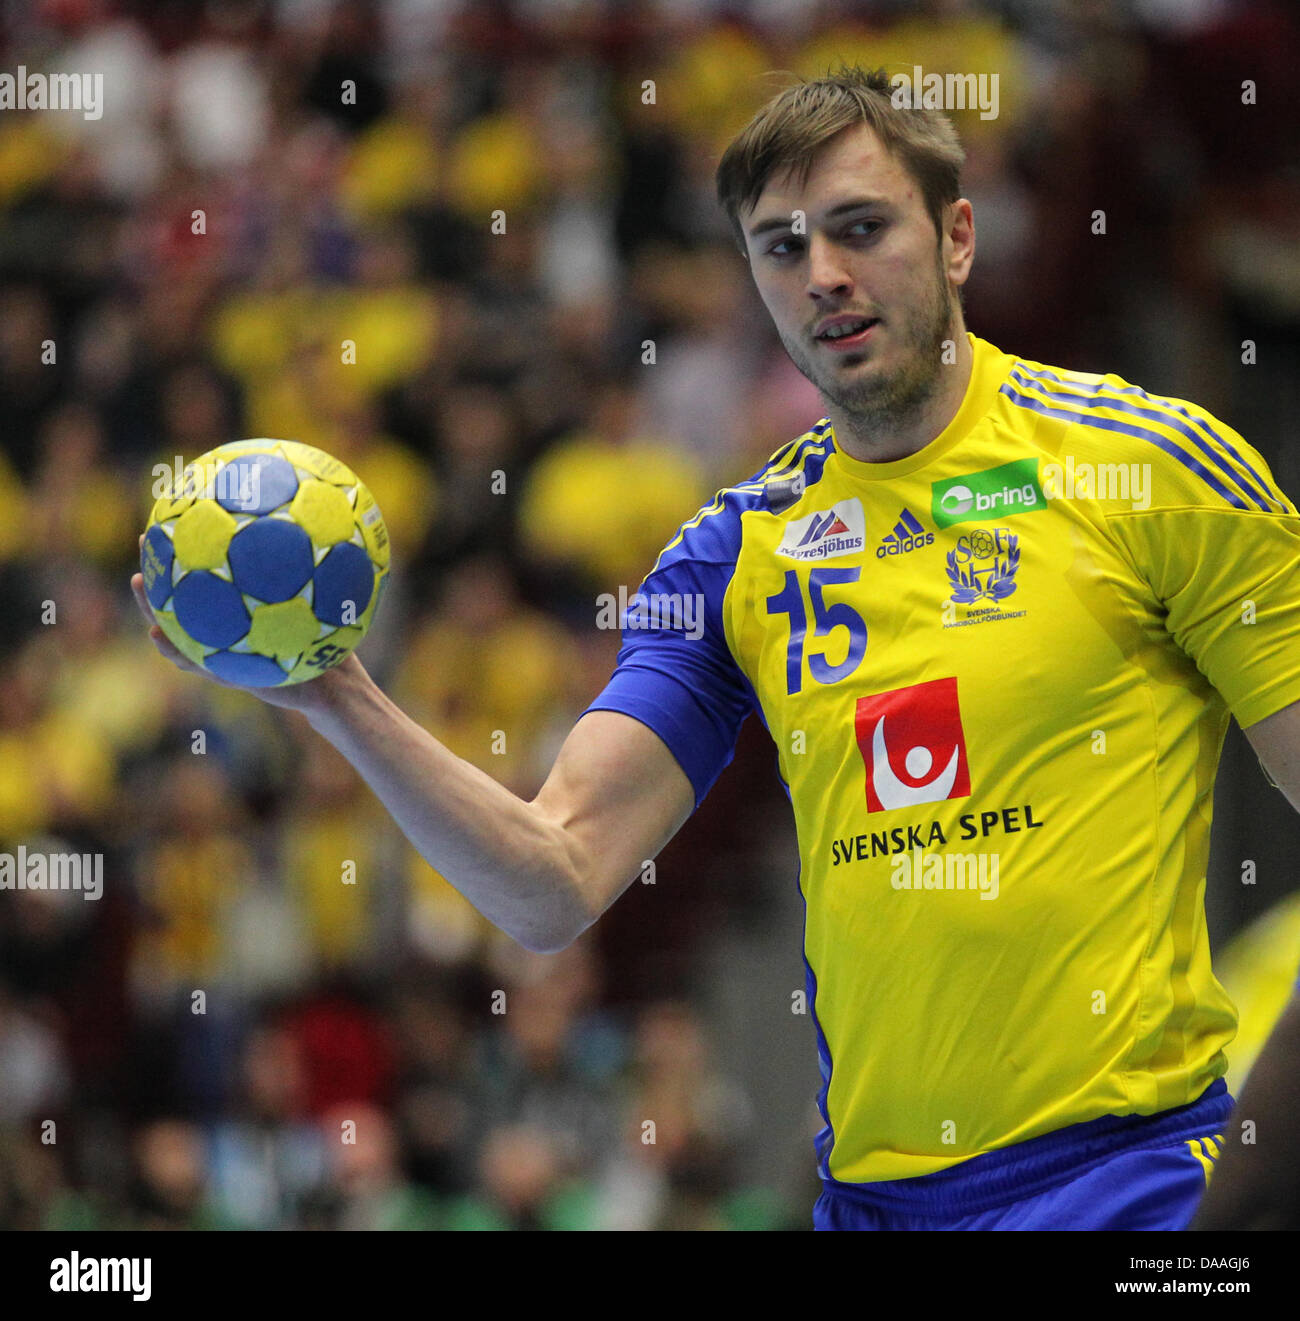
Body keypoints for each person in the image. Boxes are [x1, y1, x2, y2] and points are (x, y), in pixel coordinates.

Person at [132, 66, 1300, 1230]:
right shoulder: (737, 550)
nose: (823, 276)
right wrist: (339, 698)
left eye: (859, 229)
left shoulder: (1143, 470)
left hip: (1131, 1184)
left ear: (955, 238)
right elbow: (551, 880)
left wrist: (1249, 1185)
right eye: (779, 247)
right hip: (874, 1206)